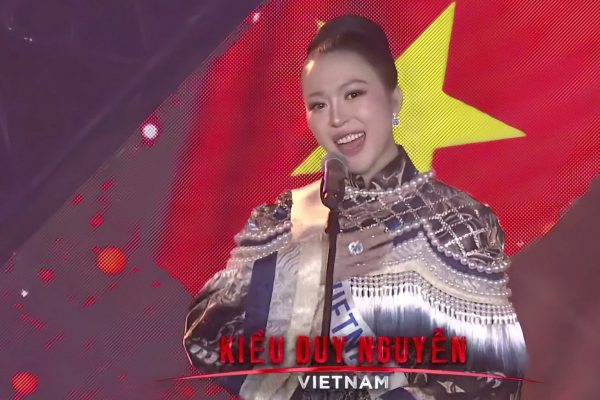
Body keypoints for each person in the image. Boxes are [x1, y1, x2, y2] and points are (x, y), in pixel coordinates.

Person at [183, 15, 527, 400]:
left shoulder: (459, 221)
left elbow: (495, 378)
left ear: (393, 99)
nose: (336, 118)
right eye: (318, 104)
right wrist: (309, 270)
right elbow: (206, 339)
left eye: (353, 94)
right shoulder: (286, 216)